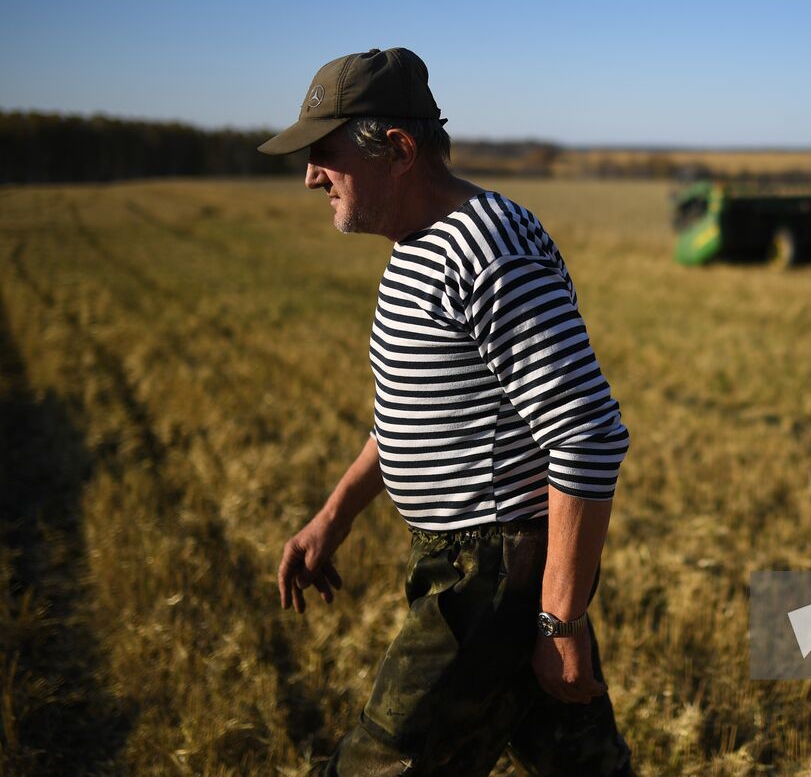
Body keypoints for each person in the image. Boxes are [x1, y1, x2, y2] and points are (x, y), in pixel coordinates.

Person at [259, 48, 633, 776]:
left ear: (398, 150)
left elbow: (587, 433)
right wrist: (332, 517)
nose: (310, 176)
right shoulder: (418, 248)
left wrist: (558, 619)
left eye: (324, 153)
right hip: (477, 567)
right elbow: (411, 417)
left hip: (490, 577)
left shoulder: (487, 249)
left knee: (376, 765)